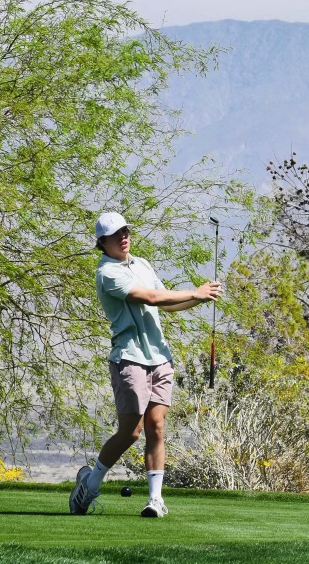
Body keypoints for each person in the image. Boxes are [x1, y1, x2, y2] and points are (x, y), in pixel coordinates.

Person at [69, 212, 223, 518]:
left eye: (126, 231)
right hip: (129, 358)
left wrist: (200, 299)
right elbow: (150, 297)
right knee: (131, 431)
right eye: (116, 235)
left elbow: (167, 303)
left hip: (159, 357)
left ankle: (155, 500)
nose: (124, 237)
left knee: (156, 427)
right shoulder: (107, 273)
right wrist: (195, 291)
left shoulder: (141, 264)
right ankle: (89, 484)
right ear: (102, 242)